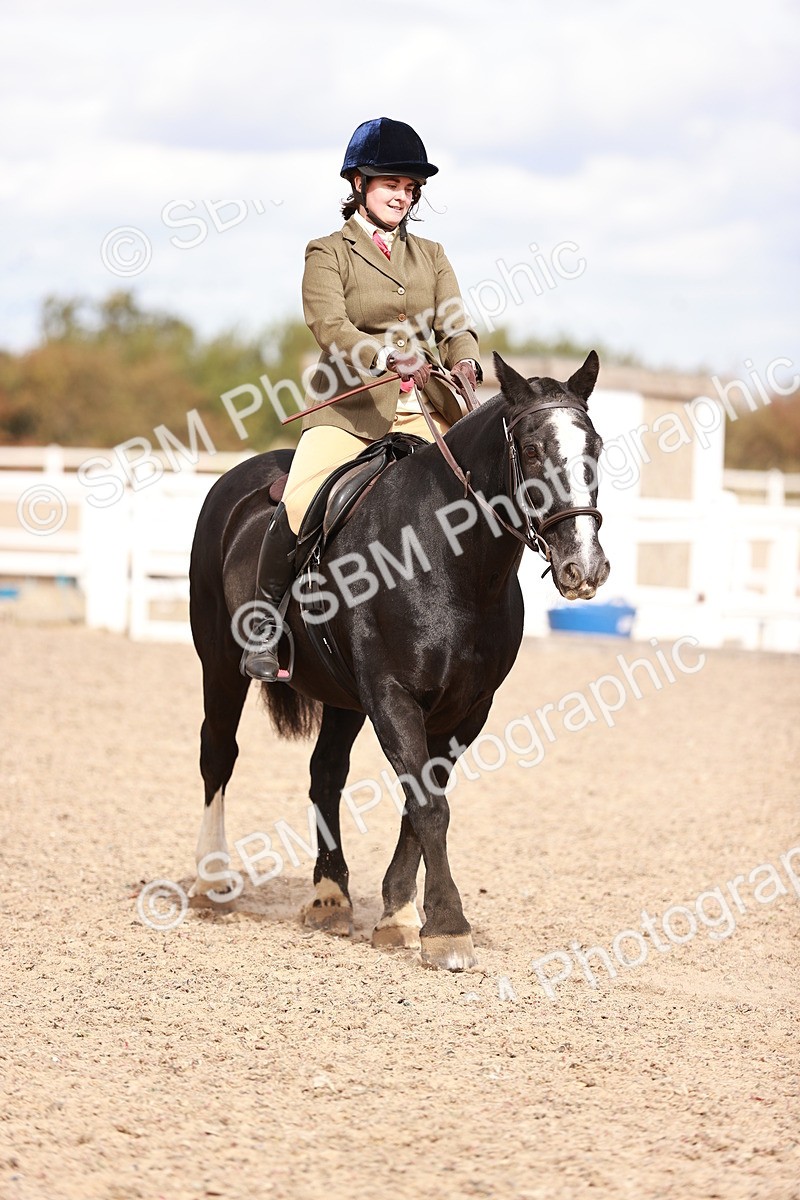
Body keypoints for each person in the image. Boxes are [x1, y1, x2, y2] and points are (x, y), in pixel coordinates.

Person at [243, 117, 482, 680]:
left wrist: (466, 358)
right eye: (390, 184)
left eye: (409, 186)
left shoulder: (432, 253)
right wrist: (384, 355)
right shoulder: (327, 252)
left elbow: (454, 323)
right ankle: (263, 627)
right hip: (349, 407)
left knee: (474, 500)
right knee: (301, 500)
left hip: (425, 405)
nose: (402, 195)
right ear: (358, 184)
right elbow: (330, 325)